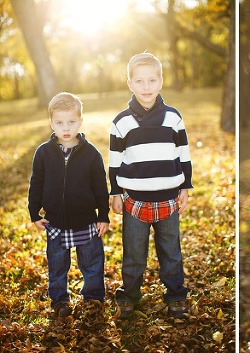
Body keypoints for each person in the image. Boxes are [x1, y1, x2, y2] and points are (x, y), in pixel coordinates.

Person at [109, 52, 193, 320]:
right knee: (134, 252)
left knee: (171, 251)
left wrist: (185, 187)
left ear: (160, 82)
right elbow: (115, 161)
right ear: (130, 84)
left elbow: (183, 154)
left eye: (152, 80)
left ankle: (176, 296)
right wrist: (115, 192)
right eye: (140, 81)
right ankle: (129, 296)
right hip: (135, 200)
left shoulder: (173, 117)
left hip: (169, 199)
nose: (146, 87)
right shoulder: (121, 122)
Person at [28, 92, 110, 318]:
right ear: (51, 123)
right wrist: (34, 213)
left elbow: (100, 187)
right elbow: (36, 183)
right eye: (60, 122)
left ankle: (93, 298)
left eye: (71, 122)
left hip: (86, 221)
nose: (66, 128)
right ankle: (59, 301)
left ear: (80, 121)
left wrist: (103, 215)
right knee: (57, 266)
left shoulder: (91, 154)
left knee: (92, 263)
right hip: (55, 221)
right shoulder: (43, 153)